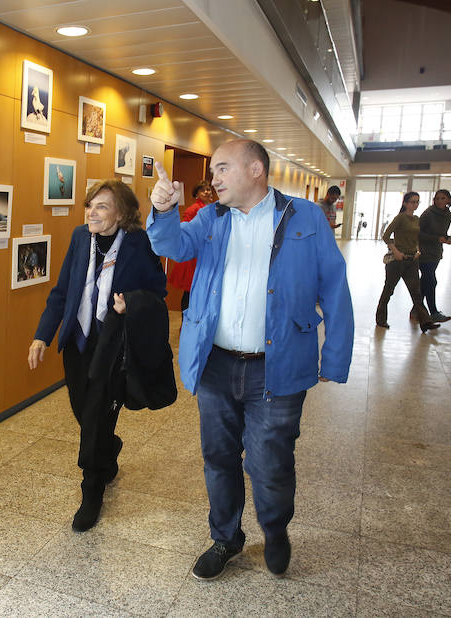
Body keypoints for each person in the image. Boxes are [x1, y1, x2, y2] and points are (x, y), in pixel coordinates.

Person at [146, 139, 354, 580]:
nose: (214, 178)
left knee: (270, 463)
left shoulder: (306, 217)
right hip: (217, 363)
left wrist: (334, 356)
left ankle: (275, 531)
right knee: (218, 457)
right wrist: (163, 210)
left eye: (222, 168)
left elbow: (335, 287)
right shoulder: (211, 217)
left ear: (256, 169)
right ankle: (226, 538)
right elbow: (173, 246)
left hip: (276, 369)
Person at [28, 180, 166, 532]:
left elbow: (157, 289)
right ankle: (109, 447)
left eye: (102, 206)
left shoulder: (138, 242)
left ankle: (92, 490)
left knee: (94, 415)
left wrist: (130, 302)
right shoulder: (79, 237)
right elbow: (62, 290)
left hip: (112, 343)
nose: (92, 212)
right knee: (83, 411)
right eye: (90, 205)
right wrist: (42, 334)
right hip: (78, 341)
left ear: (122, 213)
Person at [376, 192, 440, 333]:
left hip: (412, 260)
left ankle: (425, 321)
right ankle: (380, 319)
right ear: (405, 203)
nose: (415, 205)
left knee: (416, 293)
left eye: (417, 202)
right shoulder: (400, 218)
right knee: (389, 290)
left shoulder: (416, 219)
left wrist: (417, 250)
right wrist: (396, 251)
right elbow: (386, 236)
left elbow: (416, 238)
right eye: (412, 202)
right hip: (397, 261)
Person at [167, 181, 215, 312]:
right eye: (203, 190)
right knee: (190, 292)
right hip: (193, 258)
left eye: (208, 189)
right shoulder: (194, 209)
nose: (207, 192)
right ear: (197, 194)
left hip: (204, 255)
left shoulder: (211, 208)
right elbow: (185, 232)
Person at [415, 189, 451, 322]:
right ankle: (433, 311)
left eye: (442, 198)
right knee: (431, 280)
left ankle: (416, 310)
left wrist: (447, 238)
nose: (439, 201)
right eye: (437, 198)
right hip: (424, 252)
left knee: (426, 281)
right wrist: (436, 239)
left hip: (436, 252)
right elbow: (418, 233)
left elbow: (442, 232)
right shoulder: (428, 214)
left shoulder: (449, 215)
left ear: (448, 200)